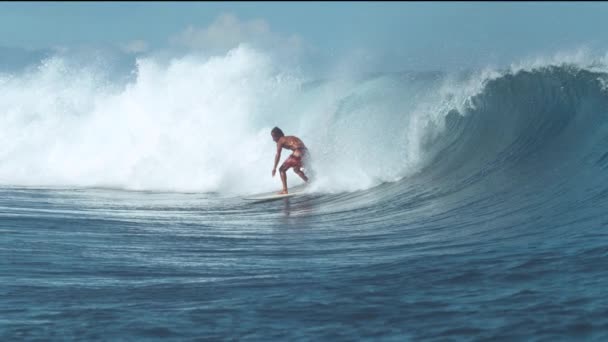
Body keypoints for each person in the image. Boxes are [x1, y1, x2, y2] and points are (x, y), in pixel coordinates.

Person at [271, 126, 310, 194]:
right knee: (296, 169)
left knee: (281, 170)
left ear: (278, 135)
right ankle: (310, 182)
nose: (273, 140)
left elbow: (278, 155)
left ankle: (285, 190)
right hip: (306, 153)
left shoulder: (280, 141)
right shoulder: (291, 137)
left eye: (273, 137)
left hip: (298, 152)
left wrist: (274, 168)